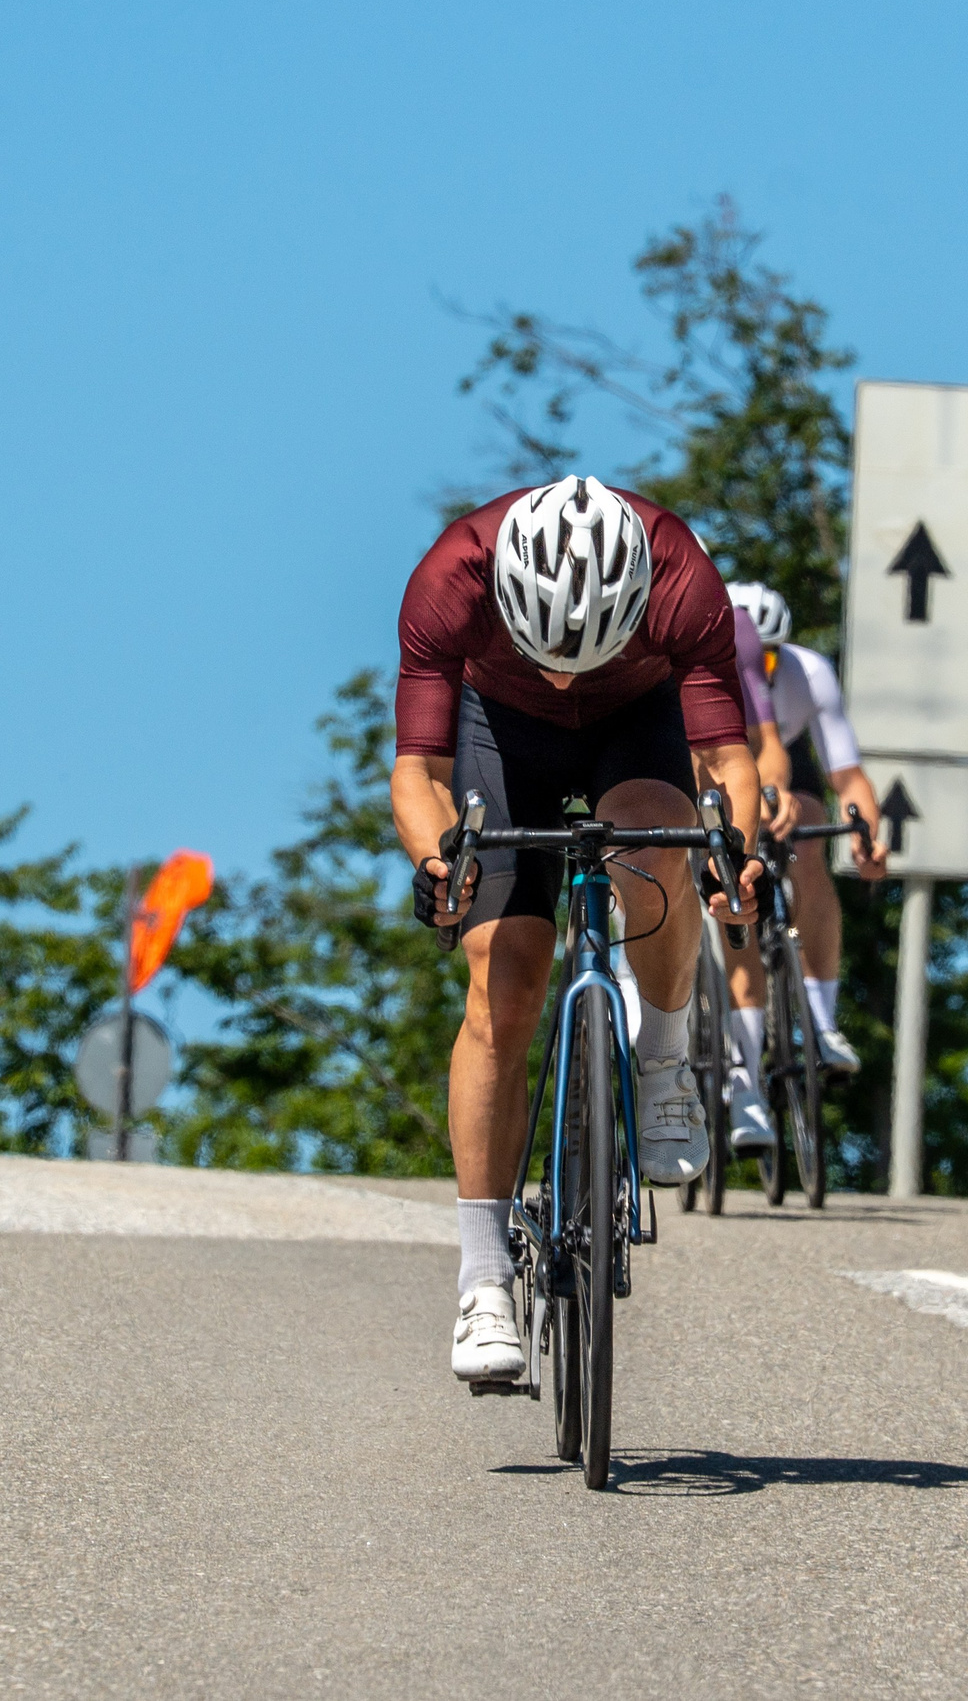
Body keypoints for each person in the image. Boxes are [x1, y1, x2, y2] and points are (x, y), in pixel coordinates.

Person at [390, 475, 764, 1382]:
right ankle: (483, 1277)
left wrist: (734, 857)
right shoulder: (452, 576)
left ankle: (666, 1055)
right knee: (504, 981)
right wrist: (439, 862)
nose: (563, 672)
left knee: (656, 849)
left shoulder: (683, 575)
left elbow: (726, 759)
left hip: (637, 720)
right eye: (546, 649)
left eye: (584, 650)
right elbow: (419, 771)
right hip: (499, 730)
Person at [722, 581, 887, 1120]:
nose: (764, 670)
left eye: (772, 657)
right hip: (722, 746)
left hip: (783, 752)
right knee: (735, 874)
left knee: (811, 840)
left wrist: (866, 834)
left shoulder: (809, 672)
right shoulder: (710, 666)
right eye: (756, 657)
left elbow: (849, 775)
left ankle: (822, 1021)